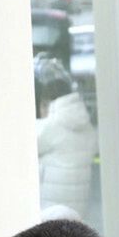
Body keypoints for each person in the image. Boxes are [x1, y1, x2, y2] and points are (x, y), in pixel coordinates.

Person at [35, 57, 96, 220]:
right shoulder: (88, 129)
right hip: (75, 215)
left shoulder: (50, 128)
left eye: (42, 104)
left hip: (48, 216)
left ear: (49, 103)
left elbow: (19, 143)